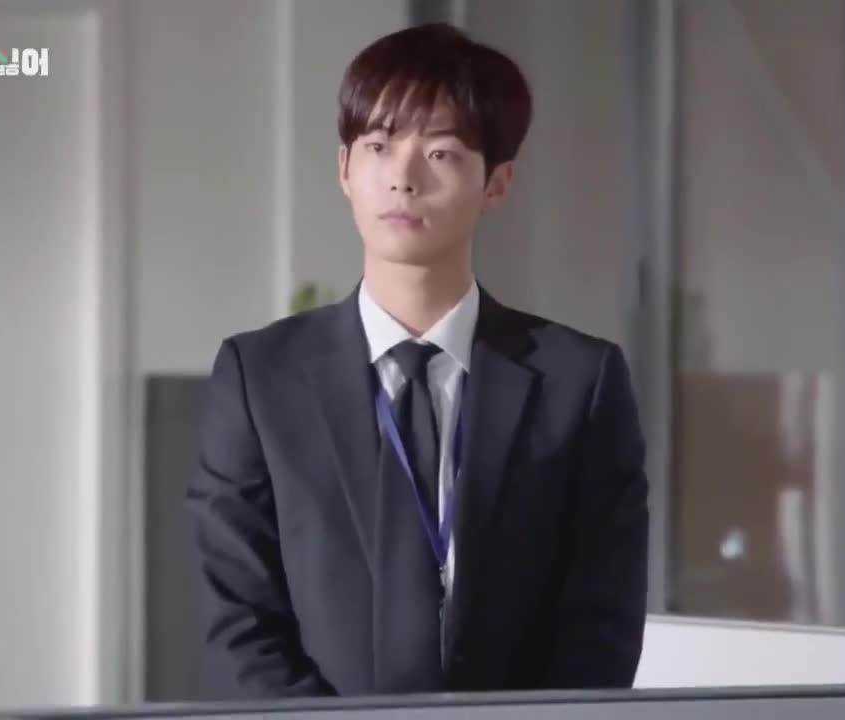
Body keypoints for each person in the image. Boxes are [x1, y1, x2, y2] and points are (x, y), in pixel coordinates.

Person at [189, 21, 648, 698]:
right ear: (345, 169)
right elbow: (238, 620)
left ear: (496, 183)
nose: (403, 179)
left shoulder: (579, 382)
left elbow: (601, 626)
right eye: (378, 146)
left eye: (441, 153)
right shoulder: (259, 378)